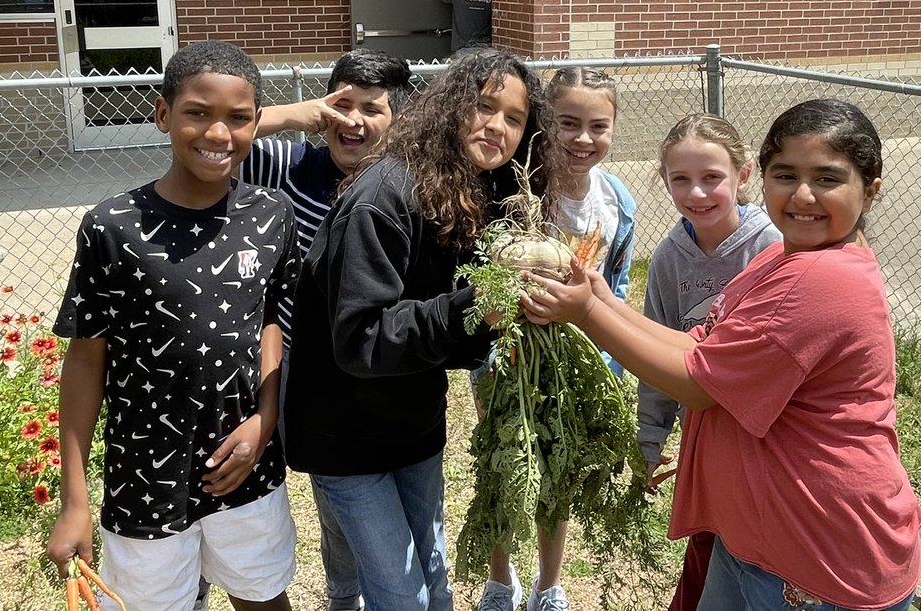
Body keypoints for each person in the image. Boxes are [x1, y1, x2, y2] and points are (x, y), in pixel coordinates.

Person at [521, 99, 921, 611]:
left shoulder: (824, 280)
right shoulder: (784, 254)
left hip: (817, 554)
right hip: (756, 539)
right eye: (786, 175)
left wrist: (586, 316)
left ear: (869, 190)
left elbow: (699, 385)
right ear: (765, 178)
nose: (803, 195)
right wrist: (600, 298)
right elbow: (701, 346)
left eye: (827, 178)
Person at [283, 47, 563, 611]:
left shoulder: (473, 195)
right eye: (484, 106)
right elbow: (360, 339)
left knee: (435, 581)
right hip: (343, 432)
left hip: (412, 421)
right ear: (450, 107)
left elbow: (451, 339)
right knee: (401, 596)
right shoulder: (383, 198)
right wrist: (476, 303)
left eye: (514, 119)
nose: (497, 126)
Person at [47, 40, 300, 611]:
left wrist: (265, 418)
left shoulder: (270, 214)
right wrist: (75, 499)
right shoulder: (112, 226)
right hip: (145, 475)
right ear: (163, 114)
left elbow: (270, 325)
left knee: (262, 595)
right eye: (197, 113)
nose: (218, 134)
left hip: (244, 466)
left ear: (257, 123)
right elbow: (86, 360)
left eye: (238, 118)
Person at [235, 48, 412, 611]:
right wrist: (296, 113)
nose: (352, 121)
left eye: (371, 109)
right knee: (298, 489)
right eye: (341, 105)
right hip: (289, 362)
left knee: (349, 493)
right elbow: (222, 131)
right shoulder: (290, 165)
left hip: (366, 368)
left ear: (399, 118)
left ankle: (348, 593)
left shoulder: (406, 185)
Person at [476, 66, 636, 611]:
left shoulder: (617, 201)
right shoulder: (517, 190)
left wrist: (606, 362)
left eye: (598, 126)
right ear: (546, 124)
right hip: (508, 358)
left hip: (576, 364)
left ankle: (550, 585)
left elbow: (612, 286)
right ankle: (501, 582)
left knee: (561, 469)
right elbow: (485, 275)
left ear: (614, 129)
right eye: (568, 122)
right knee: (505, 461)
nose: (583, 138)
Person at [639, 114, 780, 611]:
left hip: (761, 432)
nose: (697, 192)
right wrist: (651, 438)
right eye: (681, 179)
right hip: (703, 426)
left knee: (751, 544)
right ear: (664, 181)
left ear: (743, 175)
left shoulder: (772, 247)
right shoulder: (668, 260)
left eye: (712, 177)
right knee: (707, 536)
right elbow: (655, 354)